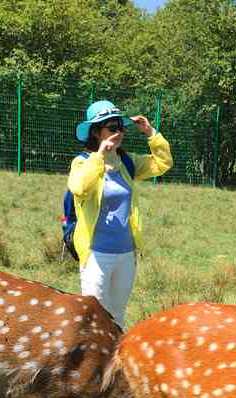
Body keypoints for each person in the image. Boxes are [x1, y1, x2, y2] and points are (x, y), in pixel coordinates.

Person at [67, 99, 172, 329]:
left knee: (118, 316)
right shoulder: (82, 162)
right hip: (96, 254)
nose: (119, 132)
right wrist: (100, 156)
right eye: (112, 127)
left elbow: (163, 163)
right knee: (95, 318)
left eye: (121, 126)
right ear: (96, 132)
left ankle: (116, 364)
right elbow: (79, 187)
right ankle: (93, 364)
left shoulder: (126, 161)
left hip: (126, 254)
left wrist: (150, 133)